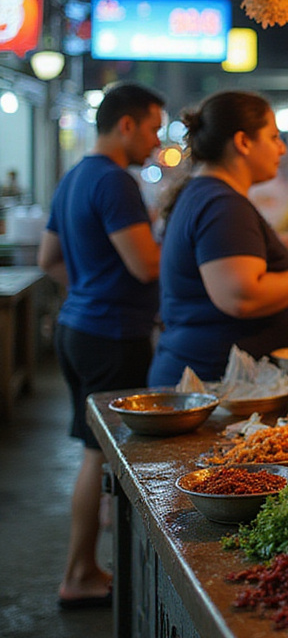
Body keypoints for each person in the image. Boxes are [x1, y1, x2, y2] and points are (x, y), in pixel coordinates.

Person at [37, 82, 165, 609]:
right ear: (126, 124)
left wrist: (88, 292)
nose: (157, 142)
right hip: (112, 334)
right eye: (154, 129)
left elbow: (49, 259)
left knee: (94, 452)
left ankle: (87, 565)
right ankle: (80, 572)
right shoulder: (115, 182)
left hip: (76, 327)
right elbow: (146, 265)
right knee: (97, 455)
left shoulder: (73, 178)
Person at [147, 91, 288, 386]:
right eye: (273, 137)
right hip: (213, 385)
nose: (282, 149)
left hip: (204, 378)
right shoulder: (221, 202)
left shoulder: (206, 193)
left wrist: (276, 244)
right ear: (243, 142)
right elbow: (242, 297)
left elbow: (216, 257)